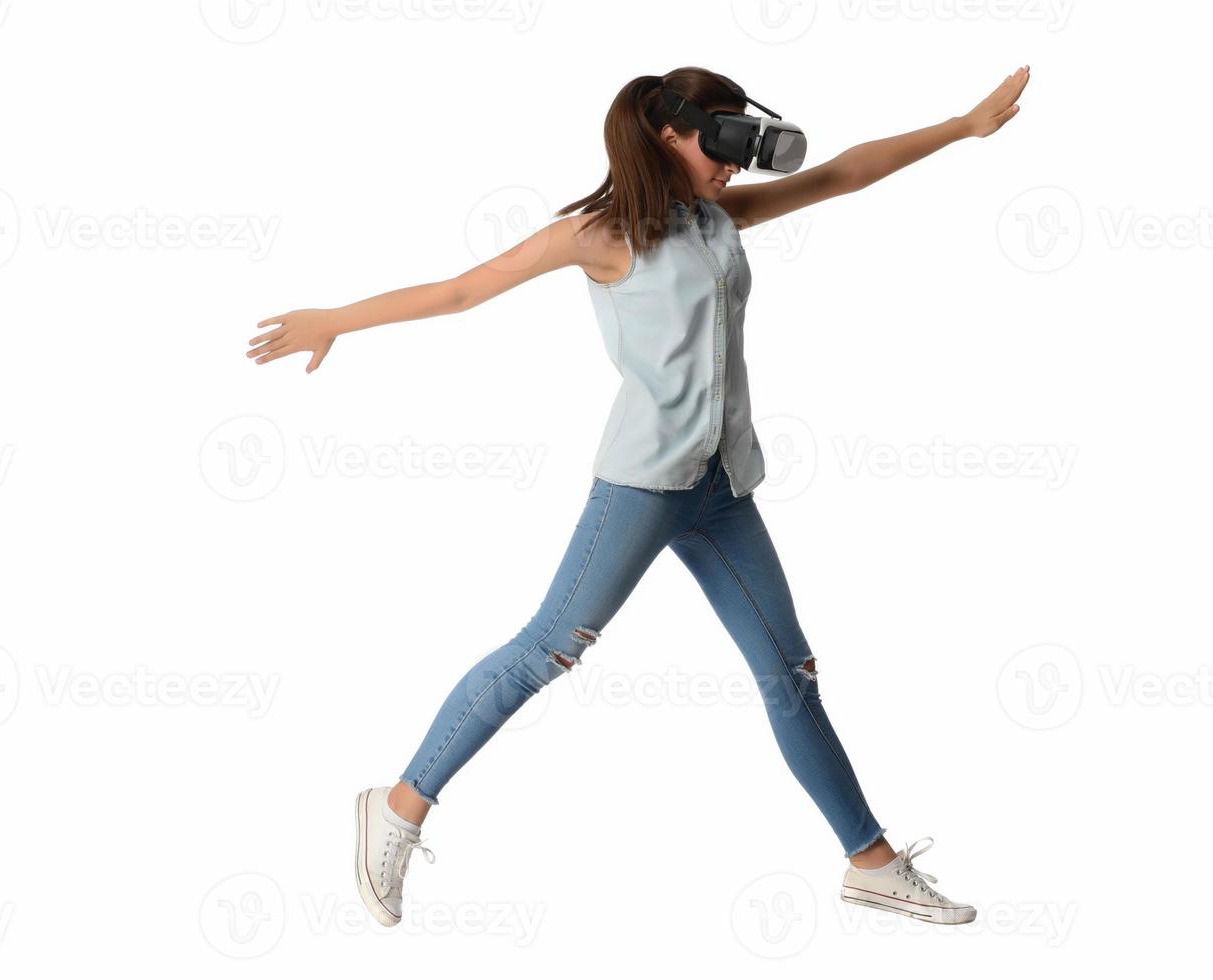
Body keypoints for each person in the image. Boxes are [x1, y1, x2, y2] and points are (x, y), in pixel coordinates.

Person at [248, 64, 1030, 929]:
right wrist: (333, 321)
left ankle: (870, 863)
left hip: (722, 486)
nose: (737, 163)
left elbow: (844, 173)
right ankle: (396, 807)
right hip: (644, 485)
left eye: (746, 143)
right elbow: (461, 292)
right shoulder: (599, 235)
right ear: (670, 133)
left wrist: (960, 127)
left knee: (789, 675)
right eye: (723, 141)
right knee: (545, 649)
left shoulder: (720, 219)